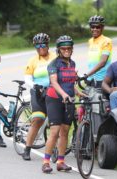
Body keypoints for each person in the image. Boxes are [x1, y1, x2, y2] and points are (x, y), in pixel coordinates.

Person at [42, 35, 86, 173]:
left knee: (65, 131)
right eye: (64, 48)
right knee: (54, 132)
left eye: (69, 48)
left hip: (69, 100)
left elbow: (69, 83)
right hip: (55, 99)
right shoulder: (53, 64)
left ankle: (61, 162)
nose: (66, 50)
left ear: (72, 49)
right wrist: (64, 95)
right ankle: (46, 163)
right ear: (59, 50)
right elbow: (54, 82)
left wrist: (78, 93)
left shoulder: (72, 64)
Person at [22, 33, 56, 160]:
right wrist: (34, 85)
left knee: (55, 122)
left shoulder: (55, 57)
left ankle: (54, 149)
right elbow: (27, 77)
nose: (41, 47)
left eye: (43, 45)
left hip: (53, 92)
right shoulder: (33, 60)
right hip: (38, 93)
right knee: (37, 120)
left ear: (48, 45)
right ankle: (27, 149)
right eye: (38, 45)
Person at [84, 15, 112, 88]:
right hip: (91, 78)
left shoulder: (106, 41)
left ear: (102, 27)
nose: (95, 29)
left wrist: (87, 74)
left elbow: (103, 62)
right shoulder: (90, 41)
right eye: (92, 27)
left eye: (98, 27)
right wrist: (89, 76)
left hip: (102, 79)